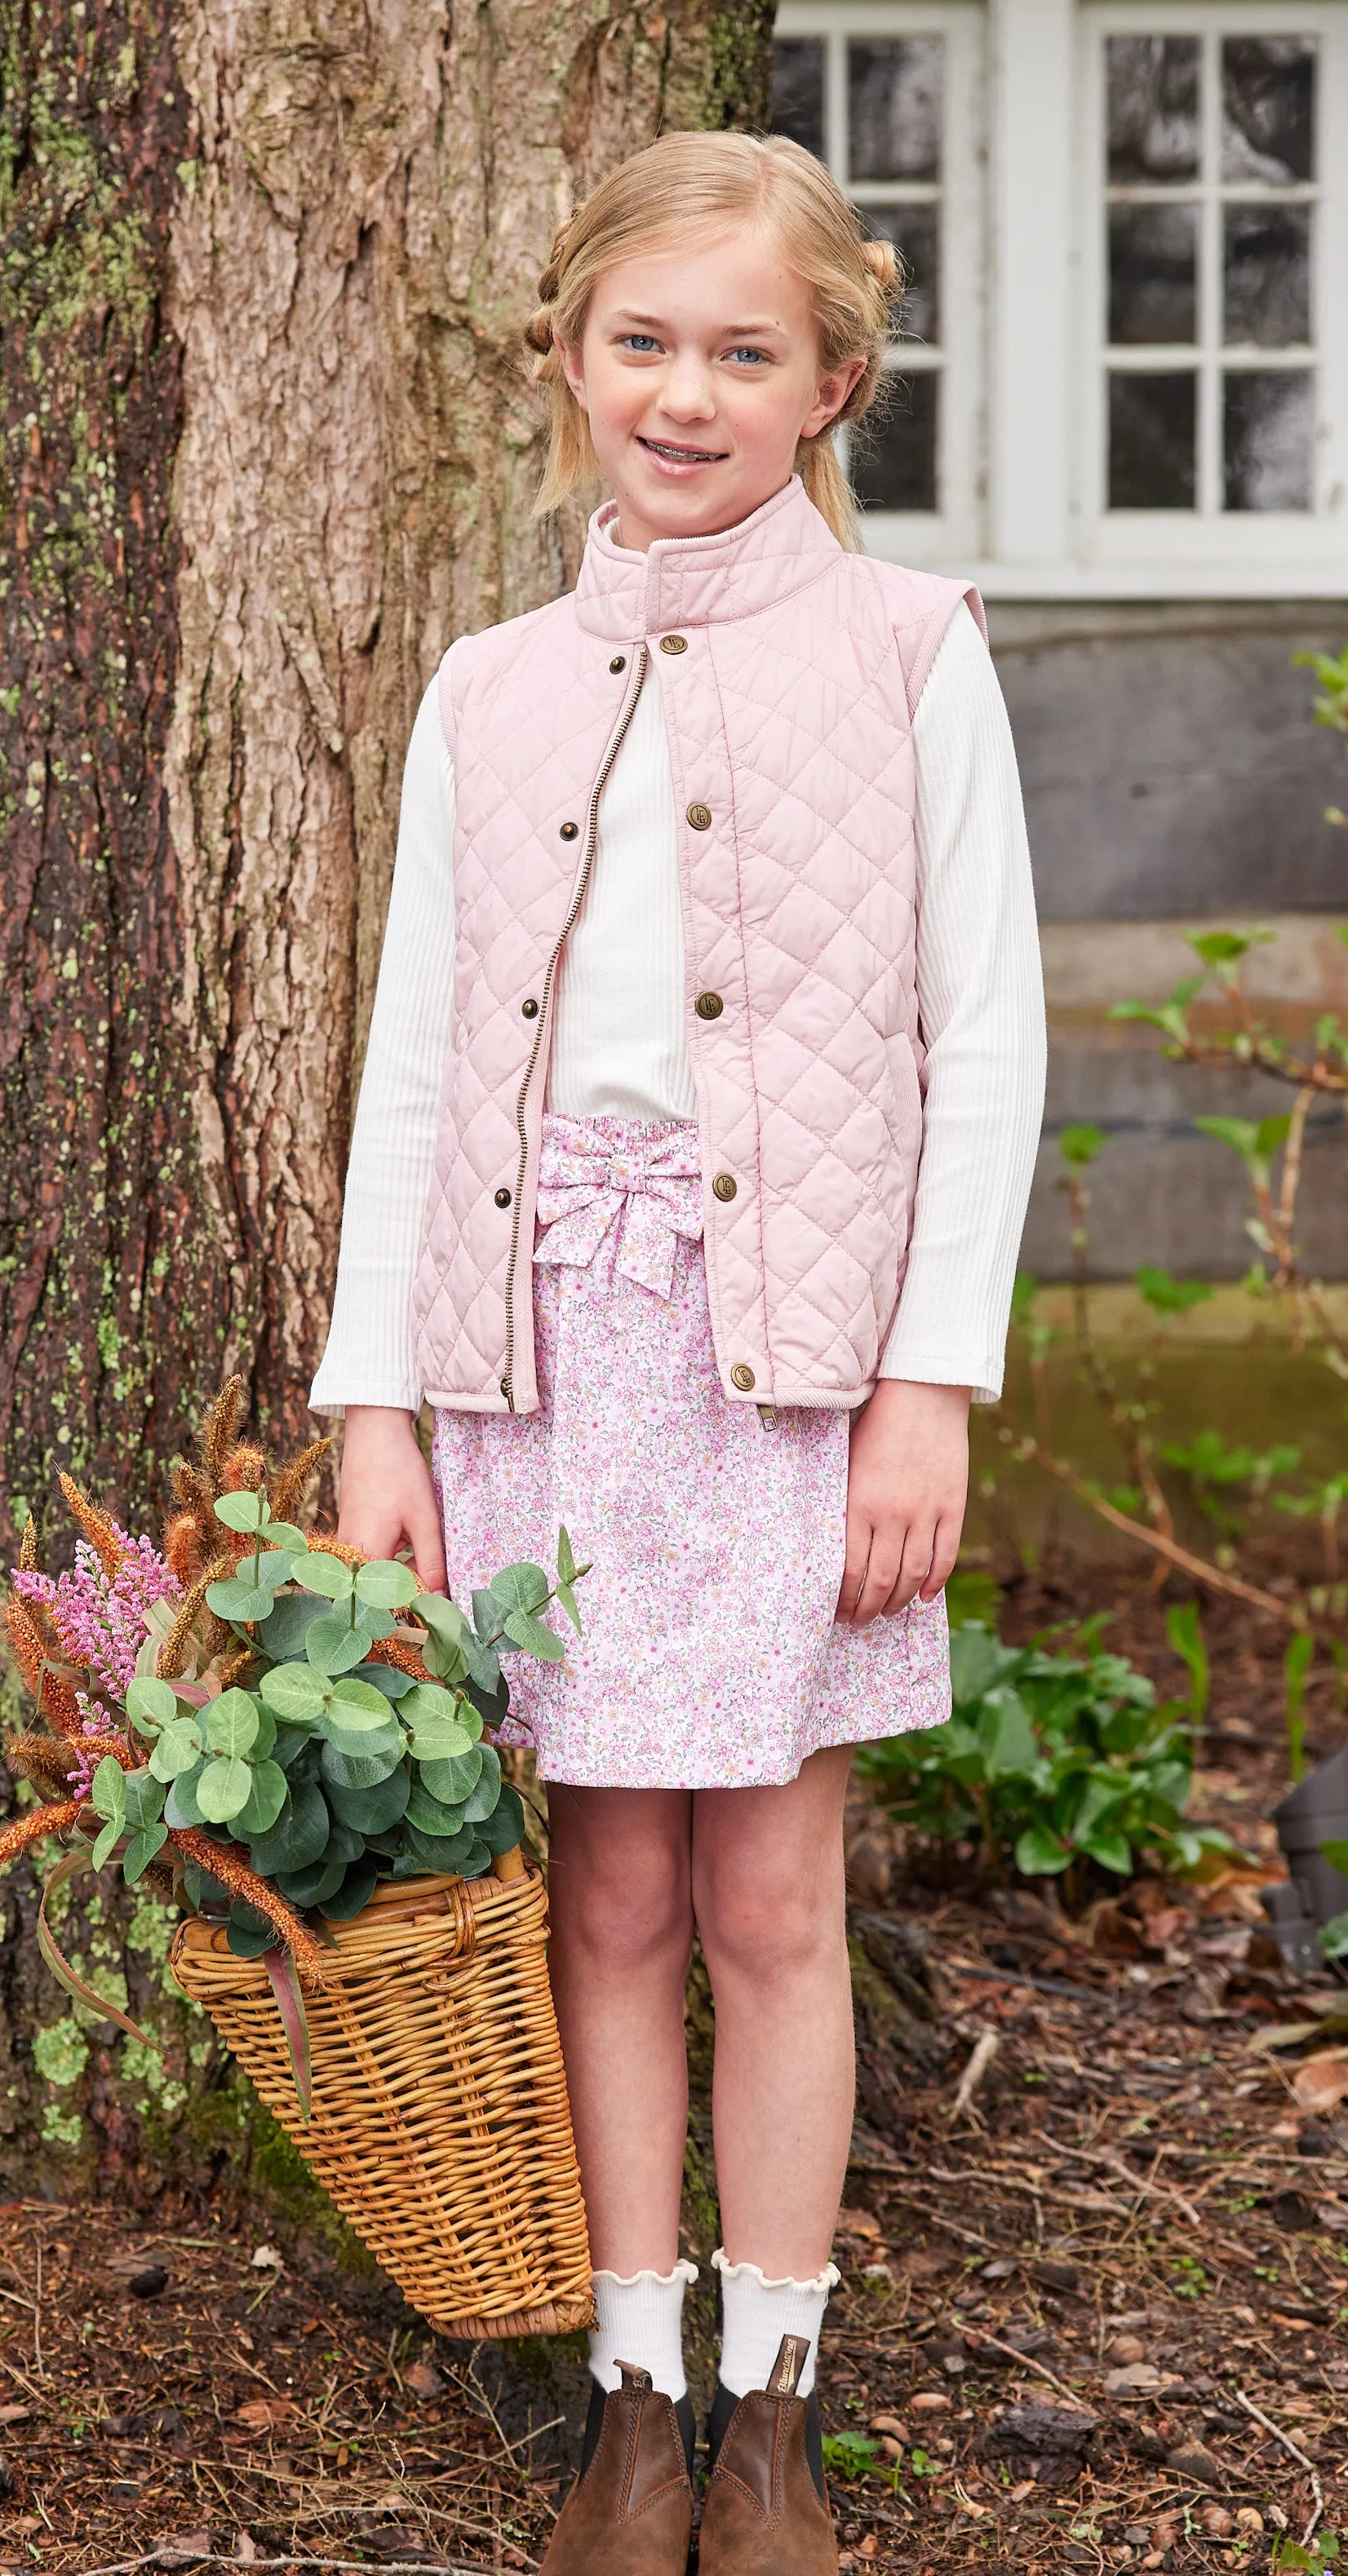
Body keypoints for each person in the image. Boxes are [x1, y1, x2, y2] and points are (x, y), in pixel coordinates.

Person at [309, 127, 1044, 2576]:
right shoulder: (488, 690)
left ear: (835, 377)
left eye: (747, 351)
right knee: (602, 1889)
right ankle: (633, 2391)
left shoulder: (916, 654)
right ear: (569, 363)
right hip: (545, 1356)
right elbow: (414, 1052)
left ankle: (775, 2404)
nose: (690, 391)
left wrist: (928, 1375)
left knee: (772, 1893)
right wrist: (376, 1398)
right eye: (646, 342)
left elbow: (991, 1034)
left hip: (795, 1364)